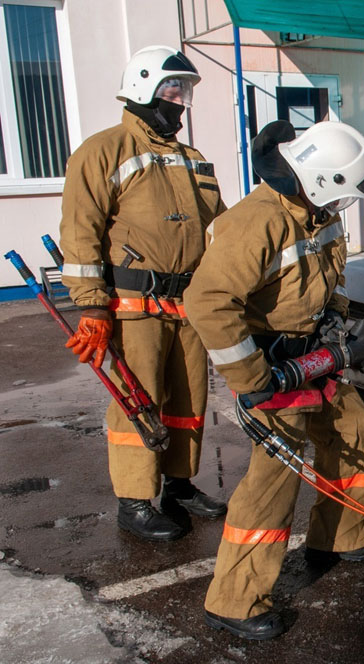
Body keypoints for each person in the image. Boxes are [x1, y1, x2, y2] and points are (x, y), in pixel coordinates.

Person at [184, 119, 364, 641]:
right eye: (341, 198)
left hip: (316, 354)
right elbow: (206, 302)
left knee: (353, 432)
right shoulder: (257, 221)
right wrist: (252, 380)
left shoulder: (319, 216)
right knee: (274, 479)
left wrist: (337, 325)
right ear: (318, 180)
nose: (343, 212)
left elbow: (333, 278)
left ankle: (339, 536)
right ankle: (235, 599)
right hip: (272, 366)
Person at [59, 45, 227, 543]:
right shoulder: (103, 150)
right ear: (145, 86)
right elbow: (80, 231)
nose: (181, 100)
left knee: (190, 397)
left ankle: (179, 484)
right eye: (175, 88)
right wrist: (92, 305)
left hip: (189, 305)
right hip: (134, 308)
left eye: (186, 90)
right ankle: (134, 500)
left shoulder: (190, 159)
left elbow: (217, 226)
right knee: (139, 399)